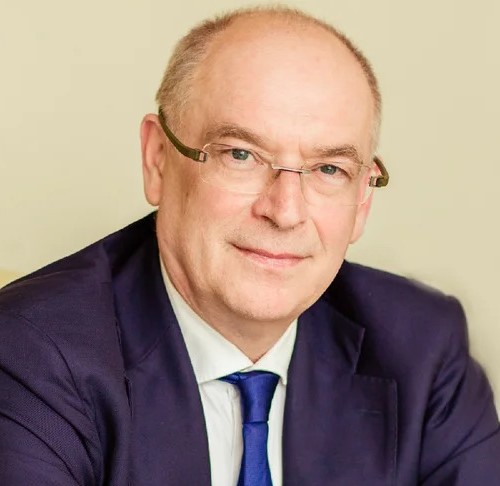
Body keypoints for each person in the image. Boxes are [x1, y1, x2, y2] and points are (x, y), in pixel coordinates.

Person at [0, 6, 498, 486]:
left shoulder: (423, 348)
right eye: (241, 155)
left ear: (362, 199)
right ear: (158, 160)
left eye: (329, 169)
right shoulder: (28, 353)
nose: (285, 211)